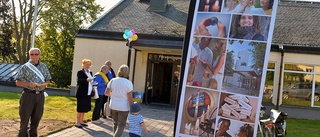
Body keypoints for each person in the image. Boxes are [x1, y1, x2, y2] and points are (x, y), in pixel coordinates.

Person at [15, 48, 51, 137]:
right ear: (29, 55)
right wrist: (28, 84)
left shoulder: (43, 66)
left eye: (36, 54)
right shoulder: (25, 67)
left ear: (39, 55)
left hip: (40, 96)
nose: (34, 56)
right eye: (32, 54)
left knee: (36, 119)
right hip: (28, 95)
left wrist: (44, 85)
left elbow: (48, 79)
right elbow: (17, 82)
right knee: (25, 119)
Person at [105, 64, 133, 137]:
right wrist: (132, 108)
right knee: (121, 125)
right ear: (127, 73)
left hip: (113, 105)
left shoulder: (112, 80)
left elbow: (107, 93)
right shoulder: (128, 83)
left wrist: (114, 95)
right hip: (124, 107)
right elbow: (130, 98)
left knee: (115, 123)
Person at [75, 59, 94, 128]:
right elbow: (79, 81)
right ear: (83, 65)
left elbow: (91, 81)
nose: (88, 66)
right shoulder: (80, 72)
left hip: (87, 93)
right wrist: (86, 80)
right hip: (81, 93)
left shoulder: (90, 72)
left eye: (89, 64)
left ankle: (81, 121)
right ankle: (77, 122)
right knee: (80, 108)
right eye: (86, 64)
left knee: (84, 108)